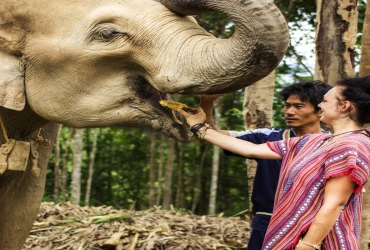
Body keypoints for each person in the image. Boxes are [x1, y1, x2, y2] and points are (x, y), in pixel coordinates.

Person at [178, 76, 370, 249]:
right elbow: (249, 149)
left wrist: (308, 245)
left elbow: (335, 204)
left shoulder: (353, 145)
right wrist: (198, 126)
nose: (320, 105)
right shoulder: (313, 141)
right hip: (286, 235)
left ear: (344, 106)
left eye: (325, 101)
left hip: (322, 242)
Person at [199, 81, 332, 250]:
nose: (289, 112)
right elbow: (214, 135)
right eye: (287, 106)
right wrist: (207, 102)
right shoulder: (267, 137)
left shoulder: (334, 143)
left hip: (315, 225)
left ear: (320, 110)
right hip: (267, 221)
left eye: (298, 106)